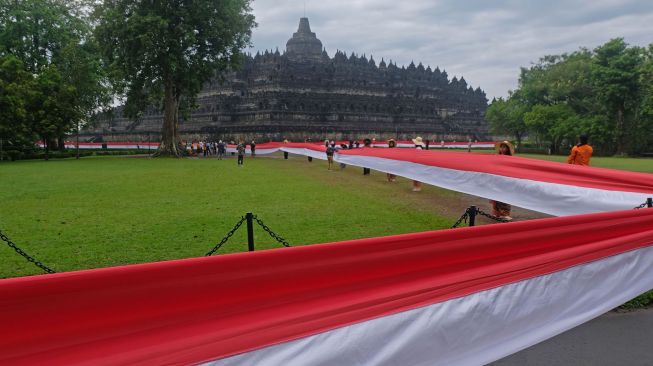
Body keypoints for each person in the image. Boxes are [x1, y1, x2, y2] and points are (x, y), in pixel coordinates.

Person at [489, 141, 515, 221]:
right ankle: (497, 213)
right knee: (496, 196)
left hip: (506, 180)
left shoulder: (511, 159)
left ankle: (505, 214)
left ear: (508, 149)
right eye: (501, 147)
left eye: (504, 147)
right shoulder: (497, 157)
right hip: (497, 179)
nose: (502, 149)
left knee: (505, 197)